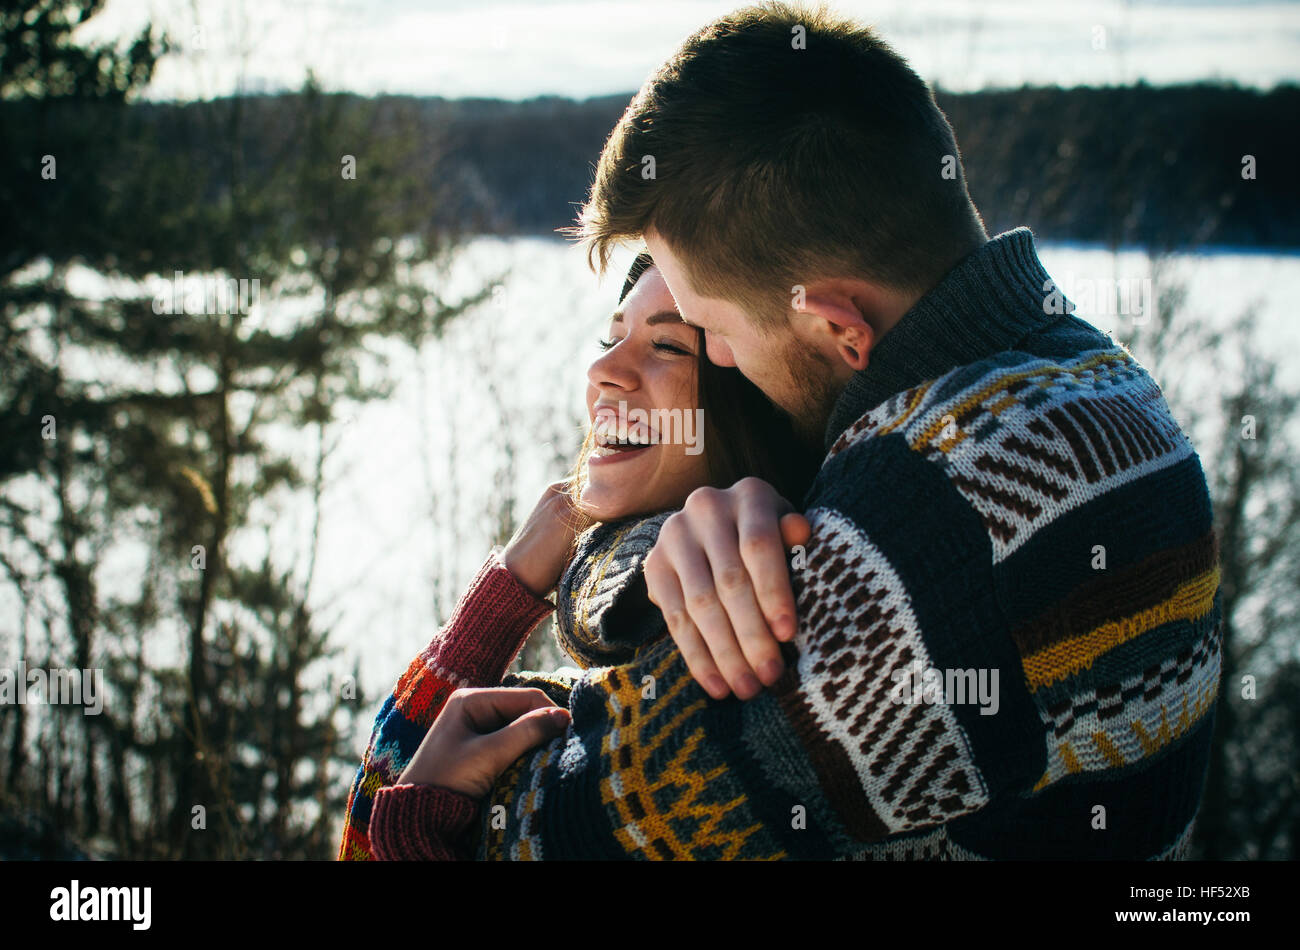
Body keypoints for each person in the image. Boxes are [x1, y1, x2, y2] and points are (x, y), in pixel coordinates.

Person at [370, 1, 1222, 861]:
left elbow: (509, 835)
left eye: (712, 335)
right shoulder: (1095, 378)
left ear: (841, 329)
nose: (728, 365)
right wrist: (629, 557)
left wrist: (423, 807)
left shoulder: (915, 542)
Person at [337, 250, 818, 860]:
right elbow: (374, 820)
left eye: (668, 346)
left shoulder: (708, 680)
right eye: (609, 338)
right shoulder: (594, 688)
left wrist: (419, 830)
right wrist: (498, 602)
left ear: (753, 400)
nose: (603, 370)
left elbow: (374, 833)